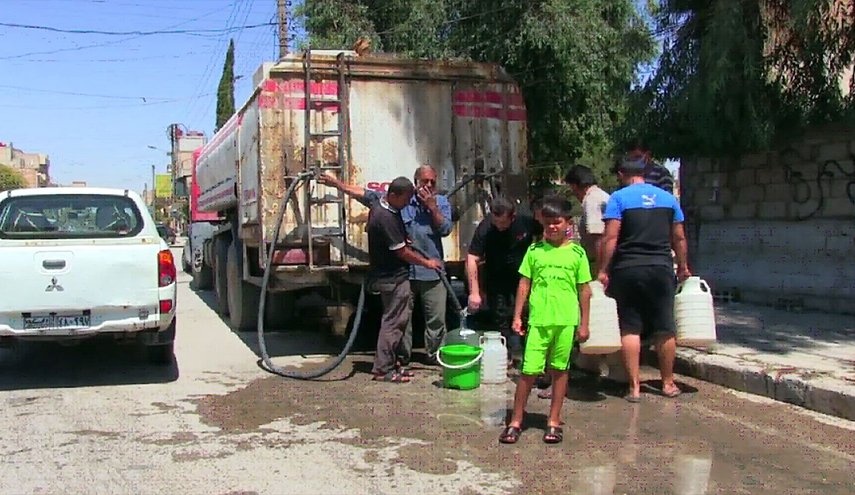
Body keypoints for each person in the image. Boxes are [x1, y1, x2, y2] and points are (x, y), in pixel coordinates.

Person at [318, 166, 452, 367]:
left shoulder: (440, 202)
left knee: (436, 319)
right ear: (416, 182)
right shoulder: (401, 199)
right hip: (405, 272)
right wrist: (337, 184)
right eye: (425, 181)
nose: (429, 185)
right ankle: (401, 358)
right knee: (401, 320)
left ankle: (435, 356)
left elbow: (446, 229)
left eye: (433, 181)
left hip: (432, 274)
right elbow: (364, 194)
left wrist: (432, 208)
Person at [498, 197, 592, 444]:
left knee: (560, 370)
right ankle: (515, 421)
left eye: (557, 222)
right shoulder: (534, 251)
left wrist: (584, 324)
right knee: (528, 371)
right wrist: (517, 316)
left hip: (566, 321)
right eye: (548, 222)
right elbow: (524, 284)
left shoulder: (577, 254)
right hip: (538, 322)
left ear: (567, 223)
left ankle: (553, 421)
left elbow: (584, 290)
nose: (552, 227)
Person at [597, 157, 691, 402]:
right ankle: (668, 383)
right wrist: (682, 266)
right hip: (661, 268)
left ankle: (635, 387)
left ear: (621, 174)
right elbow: (679, 237)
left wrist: (603, 270)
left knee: (630, 327)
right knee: (665, 327)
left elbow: (610, 238)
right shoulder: (669, 199)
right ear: (646, 173)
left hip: (628, 269)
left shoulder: (618, 198)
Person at [364, 176, 442, 383]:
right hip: (392, 277)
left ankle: (394, 364)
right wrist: (427, 263)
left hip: (390, 276)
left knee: (398, 322)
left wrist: (402, 237)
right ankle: (383, 369)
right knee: (393, 323)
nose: (407, 203)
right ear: (393, 195)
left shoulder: (385, 208)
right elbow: (402, 252)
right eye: (405, 199)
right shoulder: (385, 217)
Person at [564, 165, 626, 382]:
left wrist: (600, 271)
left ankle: (612, 367)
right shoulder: (604, 196)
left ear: (576, 185)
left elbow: (599, 237)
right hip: (609, 264)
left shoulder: (592, 200)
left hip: (599, 266)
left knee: (598, 313)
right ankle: (590, 361)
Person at [466, 197, 539, 366]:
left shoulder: (525, 221)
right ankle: (508, 353)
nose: (499, 226)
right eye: (496, 222)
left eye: (503, 223)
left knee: (525, 314)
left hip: (522, 277)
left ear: (512, 217)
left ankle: (528, 352)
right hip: (496, 277)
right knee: (500, 315)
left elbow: (544, 231)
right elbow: (472, 258)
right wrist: (474, 292)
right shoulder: (486, 227)